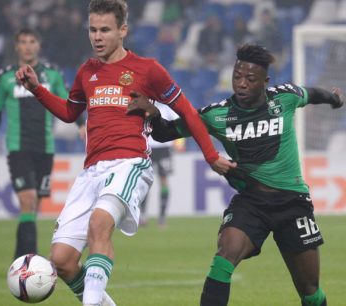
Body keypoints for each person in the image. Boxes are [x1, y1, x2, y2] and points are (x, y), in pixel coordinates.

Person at [14, 1, 235, 305]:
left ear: (123, 30)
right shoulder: (86, 72)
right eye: (92, 29)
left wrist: (211, 156)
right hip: (91, 171)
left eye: (105, 29)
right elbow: (69, 112)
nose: (97, 36)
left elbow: (188, 113)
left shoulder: (148, 69)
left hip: (129, 163)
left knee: (99, 224)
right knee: (62, 260)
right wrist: (38, 89)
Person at [128, 44, 343, 306]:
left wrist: (333, 99)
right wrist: (155, 114)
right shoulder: (216, 115)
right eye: (237, 76)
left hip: (293, 203)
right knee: (223, 258)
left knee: (310, 292)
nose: (241, 84)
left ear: (265, 82)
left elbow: (311, 93)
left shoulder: (284, 97)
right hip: (251, 203)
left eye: (250, 79)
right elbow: (165, 133)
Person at [0, 28, 70, 259]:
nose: (28, 46)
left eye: (32, 41)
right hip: (18, 148)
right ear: (17, 46)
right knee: (28, 200)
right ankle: (30, 260)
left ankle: (19, 260)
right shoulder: (5, 77)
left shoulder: (53, 74)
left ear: (38, 45)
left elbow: (69, 104)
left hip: (45, 148)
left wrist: (81, 125)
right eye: (23, 42)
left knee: (32, 207)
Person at [138, 103, 183, 227]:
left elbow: (178, 123)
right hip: (148, 148)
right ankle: (142, 215)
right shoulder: (146, 105)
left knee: (163, 181)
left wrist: (179, 142)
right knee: (145, 181)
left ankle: (162, 217)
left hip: (164, 148)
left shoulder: (167, 108)